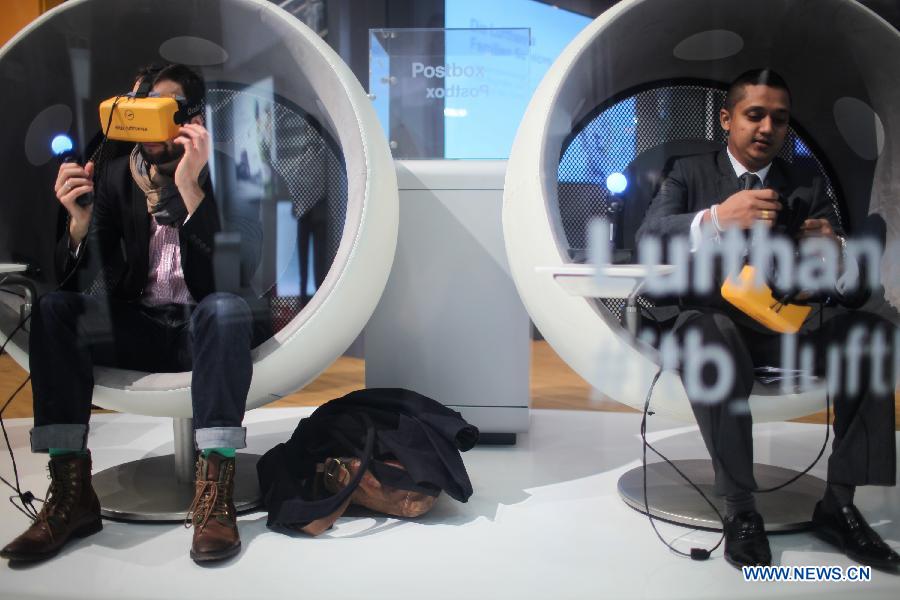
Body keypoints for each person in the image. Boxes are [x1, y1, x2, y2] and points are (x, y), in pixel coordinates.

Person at [1, 63, 269, 564]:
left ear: (188, 117)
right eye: (137, 112)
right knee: (57, 310)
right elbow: (78, 280)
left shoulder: (232, 171)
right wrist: (78, 225)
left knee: (225, 310)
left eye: (158, 112)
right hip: (142, 324)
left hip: (207, 327)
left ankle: (214, 492)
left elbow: (235, 275)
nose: (144, 127)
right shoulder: (115, 174)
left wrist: (193, 191)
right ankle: (71, 492)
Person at [636, 68, 898, 571]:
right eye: (754, 115)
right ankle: (741, 511)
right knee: (711, 336)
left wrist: (837, 252)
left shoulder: (804, 183)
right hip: (710, 320)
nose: (766, 128)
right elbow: (650, 236)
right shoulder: (688, 172)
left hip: (786, 325)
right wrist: (715, 218)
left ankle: (838, 503)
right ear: (727, 119)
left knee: (874, 336)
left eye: (779, 119)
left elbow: (854, 290)